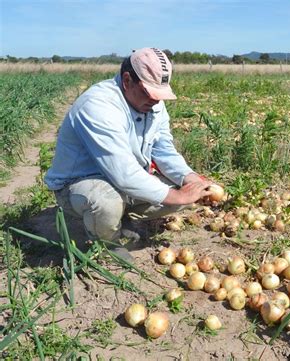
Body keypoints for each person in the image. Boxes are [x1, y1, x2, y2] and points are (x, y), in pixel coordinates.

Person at [45, 47, 213, 259]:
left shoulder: (154, 105)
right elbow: (123, 173)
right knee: (106, 201)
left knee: (184, 189)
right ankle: (106, 244)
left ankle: (120, 218)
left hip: (123, 179)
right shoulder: (98, 106)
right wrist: (177, 196)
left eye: (159, 95)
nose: (155, 101)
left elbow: (164, 151)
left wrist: (193, 180)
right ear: (127, 80)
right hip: (78, 184)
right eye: (149, 93)